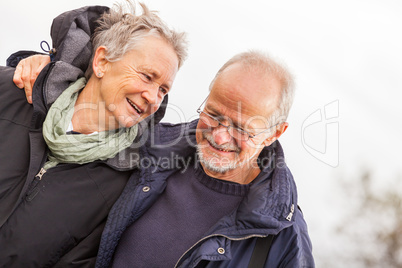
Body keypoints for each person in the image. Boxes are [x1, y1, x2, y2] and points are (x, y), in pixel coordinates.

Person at [17, 51, 315, 267]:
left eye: (241, 128)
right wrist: (43, 66)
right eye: (213, 114)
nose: (220, 136)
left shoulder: (282, 238)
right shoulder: (149, 147)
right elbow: (86, 108)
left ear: (275, 132)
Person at [0, 2, 187, 267]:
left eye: (163, 90)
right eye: (147, 76)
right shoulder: (9, 91)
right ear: (101, 61)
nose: (153, 98)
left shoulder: (122, 186)